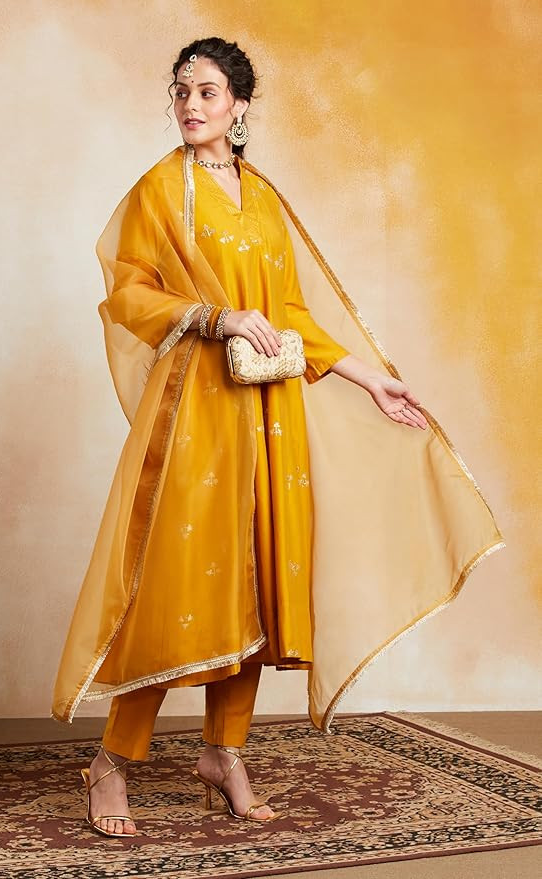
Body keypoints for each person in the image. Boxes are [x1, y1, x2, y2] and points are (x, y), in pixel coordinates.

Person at [51, 38, 504, 839]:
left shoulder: (260, 197)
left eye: (208, 91)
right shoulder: (160, 189)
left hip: (267, 414)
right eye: (182, 90)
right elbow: (129, 292)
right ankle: (112, 761)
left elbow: (291, 313)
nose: (191, 104)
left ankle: (224, 753)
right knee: (170, 586)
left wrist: (369, 377)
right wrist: (215, 315)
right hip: (196, 410)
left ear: (240, 106)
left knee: (258, 581)